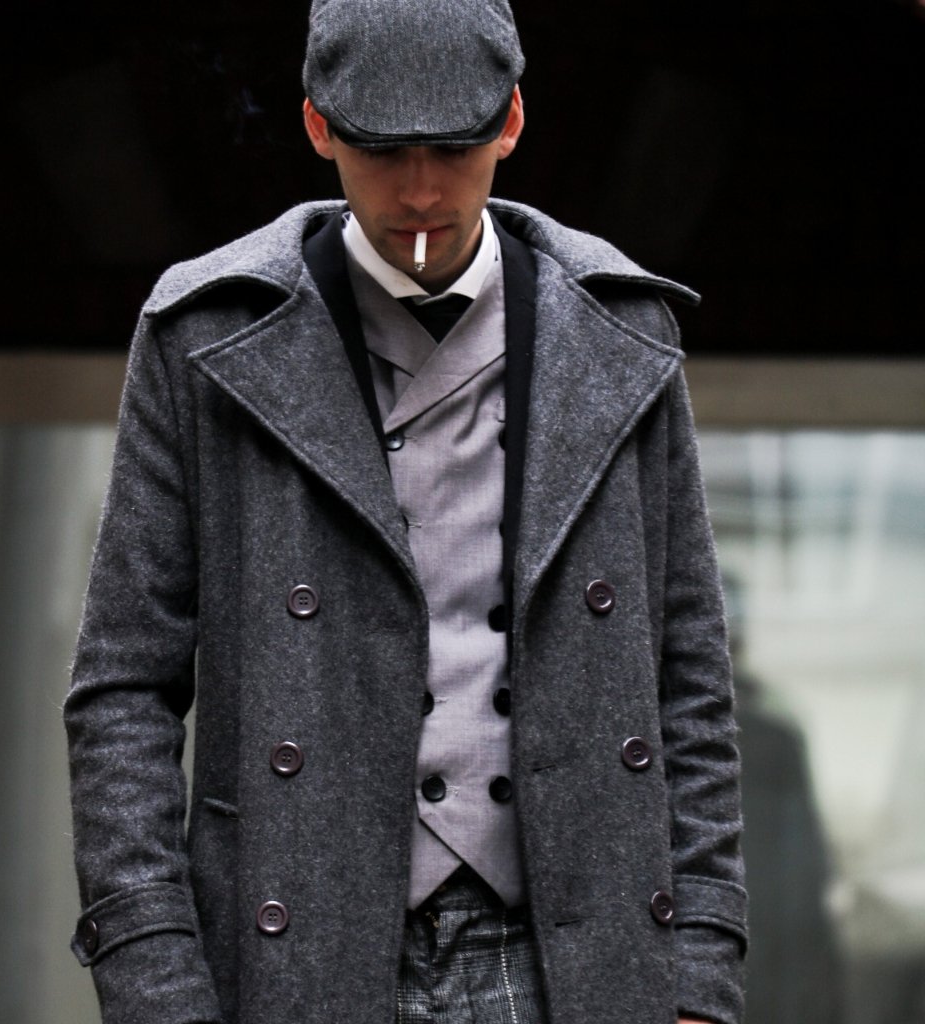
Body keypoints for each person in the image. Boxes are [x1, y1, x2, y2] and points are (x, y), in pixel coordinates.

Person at [64, 2, 747, 1023]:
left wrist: (699, 969)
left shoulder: (619, 328)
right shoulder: (203, 335)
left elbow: (685, 672)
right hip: (299, 954)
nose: (421, 189)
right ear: (317, 128)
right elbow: (122, 688)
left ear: (511, 121)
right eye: (383, 151)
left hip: (567, 959)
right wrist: (154, 979)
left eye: (456, 146)